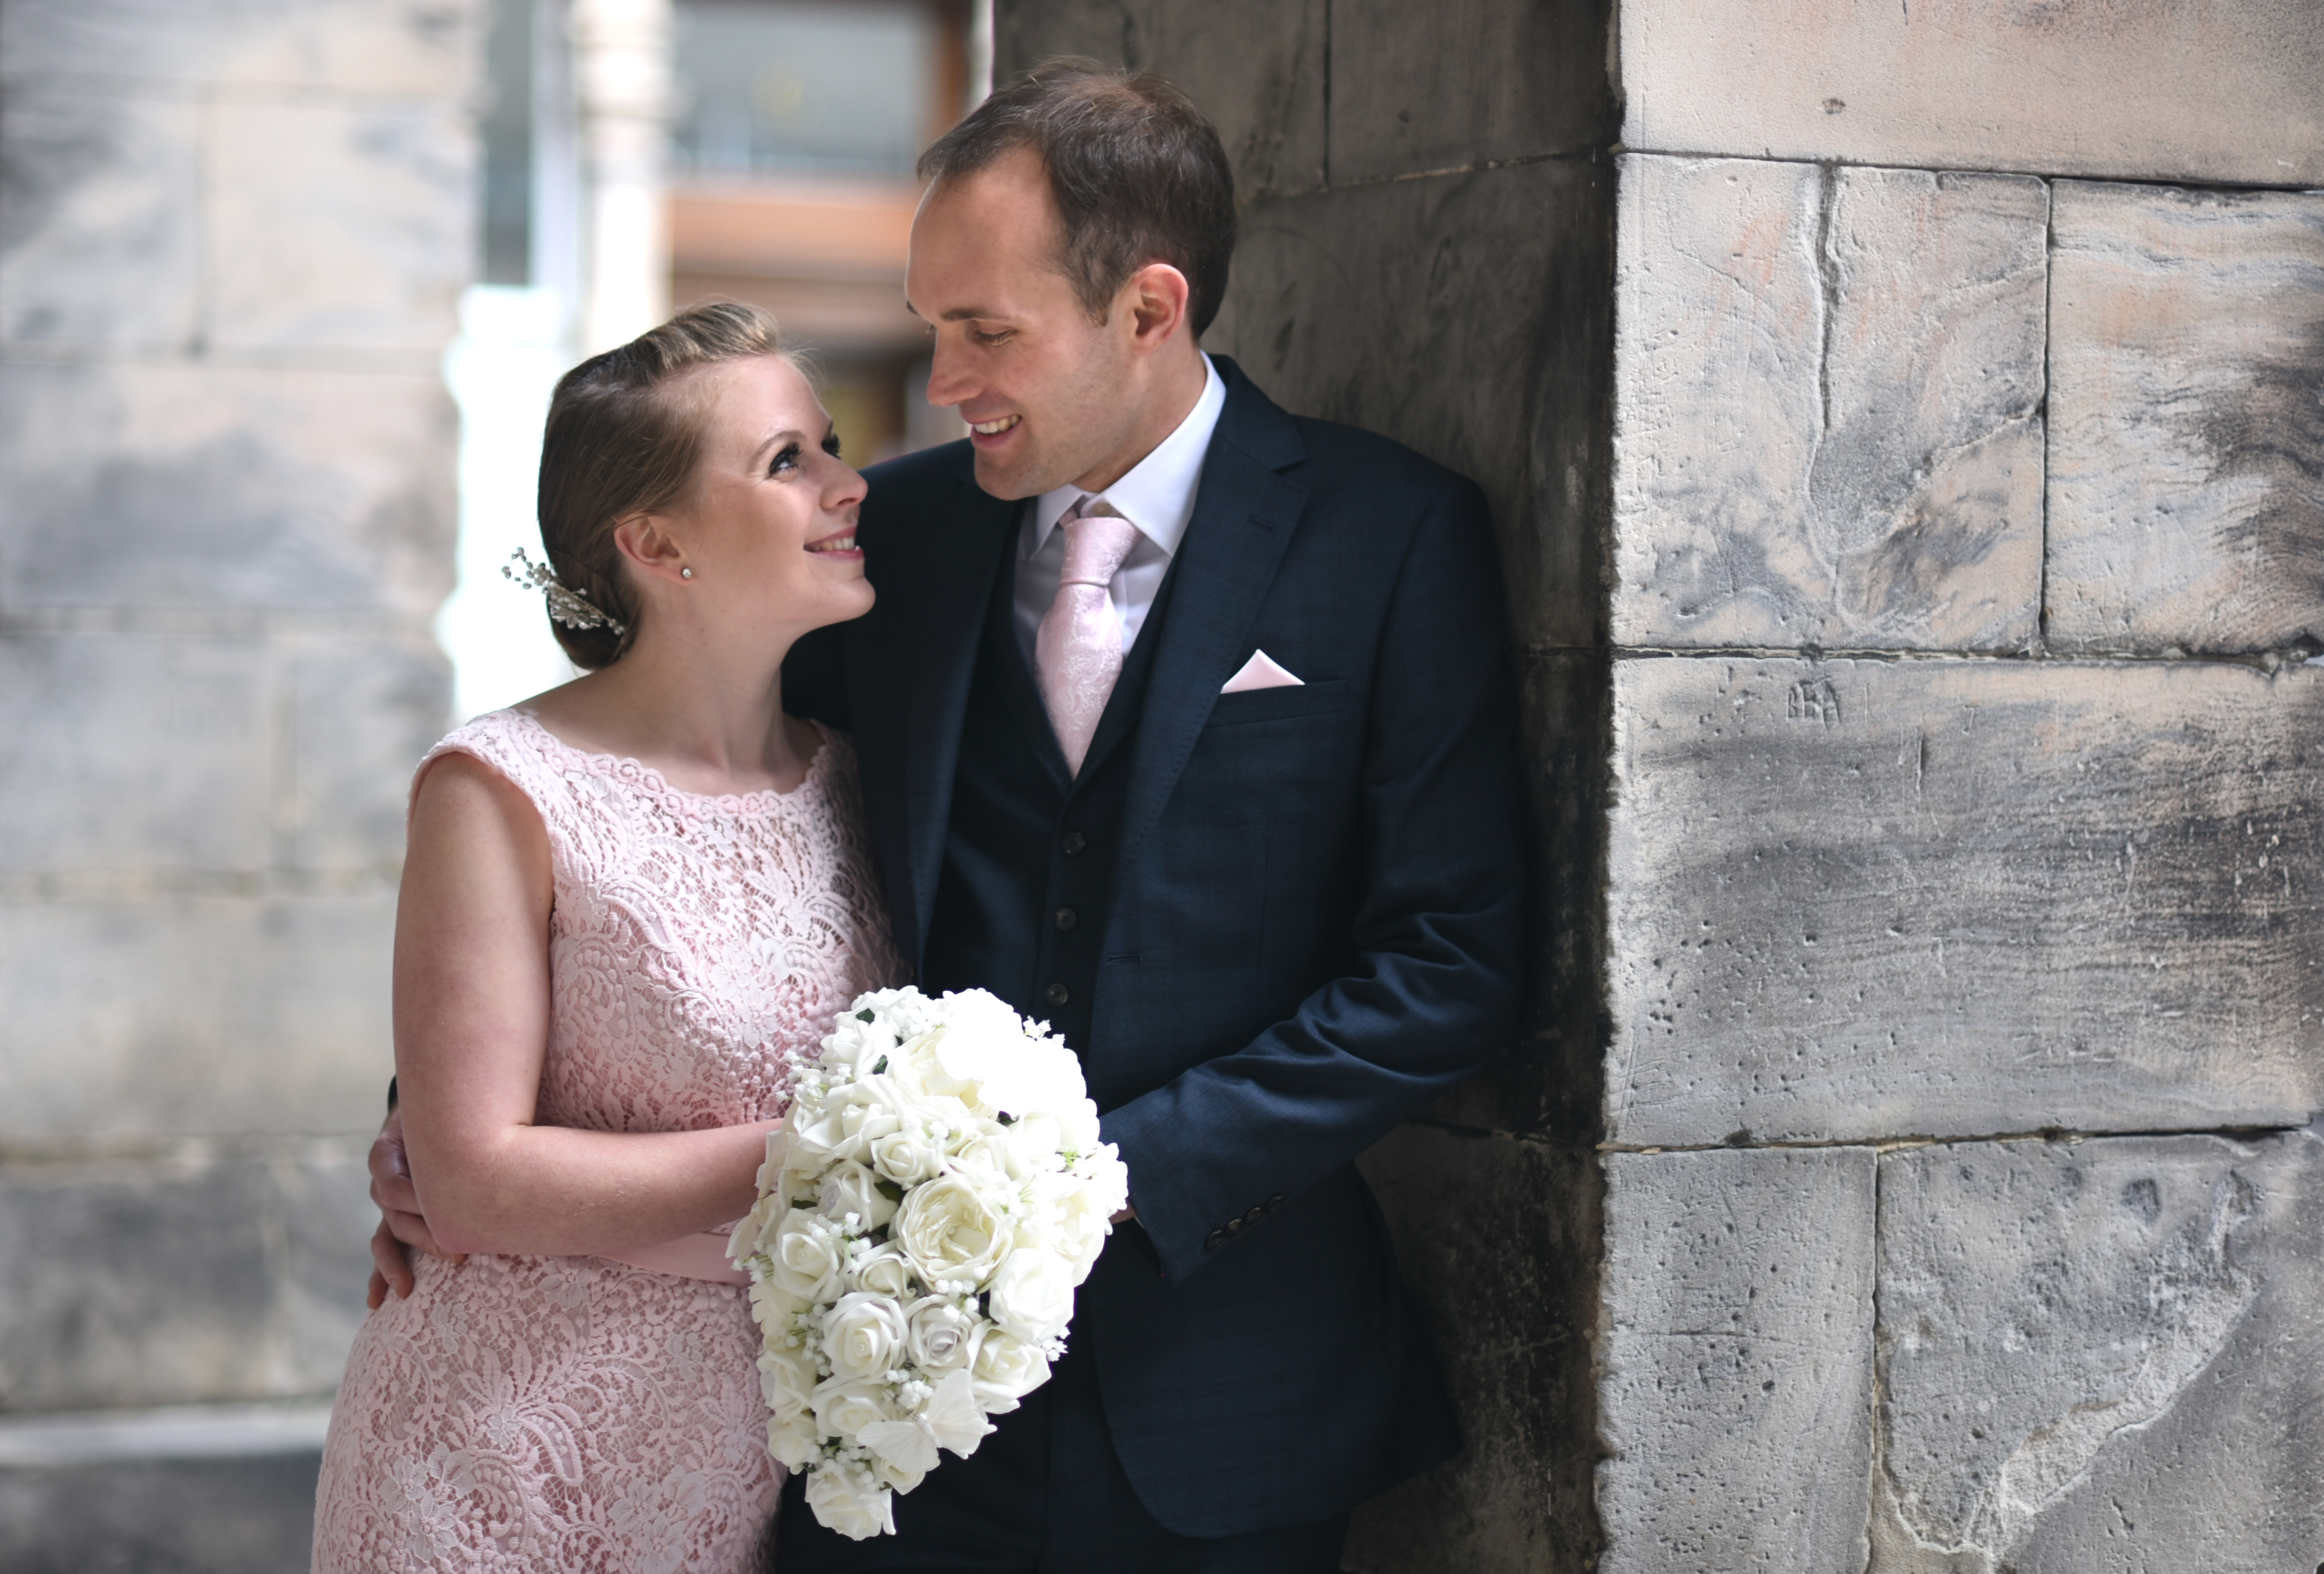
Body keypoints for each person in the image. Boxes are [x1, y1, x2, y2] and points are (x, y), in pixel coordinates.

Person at [374, 57, 1524, 1573]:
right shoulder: (890, 539)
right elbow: (661, 797)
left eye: (988, 331)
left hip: (1233, 1390)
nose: (943, 380)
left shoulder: (1388, 534)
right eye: (932, 324)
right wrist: (437, 1126)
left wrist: (1105, 1175)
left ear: (1149, 309)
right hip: (872, 1419)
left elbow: (1453, 963)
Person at [316, 303, 899, 1572]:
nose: (853, 484)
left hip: (743, 1475)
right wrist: (858, 1142)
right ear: (654, 542)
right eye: (788, 460)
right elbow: (467, 1176)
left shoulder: (863, 779)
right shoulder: (502, 785)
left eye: (831, 444)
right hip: (495, 1458)